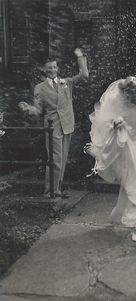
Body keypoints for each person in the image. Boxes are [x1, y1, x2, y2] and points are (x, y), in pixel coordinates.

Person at [87, 76, 136, 241]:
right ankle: (133, 222)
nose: (132, 98)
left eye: (135, 95)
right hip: (123, 147)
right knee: (131, 181)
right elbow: (104, 121)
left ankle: (128, 217)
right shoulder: (116, 100)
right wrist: (115, 124)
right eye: (129, 94)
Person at [19, 48, 89, 198]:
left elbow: (84, 75)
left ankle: (56, 190)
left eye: (54, 67)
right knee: (55, 159)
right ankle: (49, 192)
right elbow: (38, 110)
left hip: (67, 125)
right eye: (49, 67)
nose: (52, 70)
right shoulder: (40, 88)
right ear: (45, 70)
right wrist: (28, 108)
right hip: (52, 127)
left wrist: (80, 57)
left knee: (62, 159)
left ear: (57, 68)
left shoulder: (66, 83)